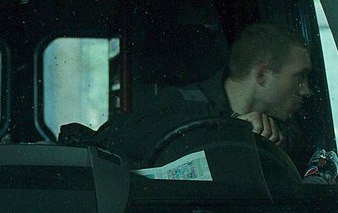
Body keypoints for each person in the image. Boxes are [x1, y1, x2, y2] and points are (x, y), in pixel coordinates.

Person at [71, 22, 314, 169]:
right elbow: (119, 138)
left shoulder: (286, 131)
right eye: (299, 77)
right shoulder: (179, 104)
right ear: (262, 74)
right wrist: (230, 128)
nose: (306, 90)